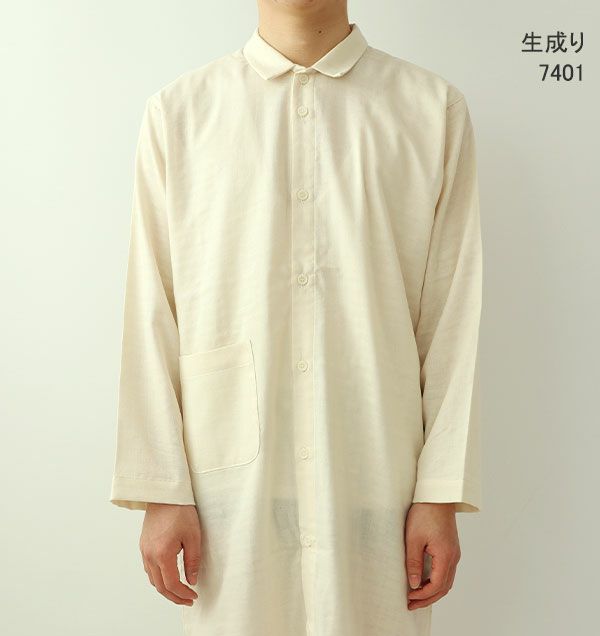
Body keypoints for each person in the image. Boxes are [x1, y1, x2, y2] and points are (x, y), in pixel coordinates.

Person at [109, 2, 483, 635]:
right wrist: (161, 488)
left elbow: (452, 317)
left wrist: (439, 491)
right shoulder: (181, 114)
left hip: (374, 473)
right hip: (229, 489)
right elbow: (152, 306)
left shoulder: (430, 110)